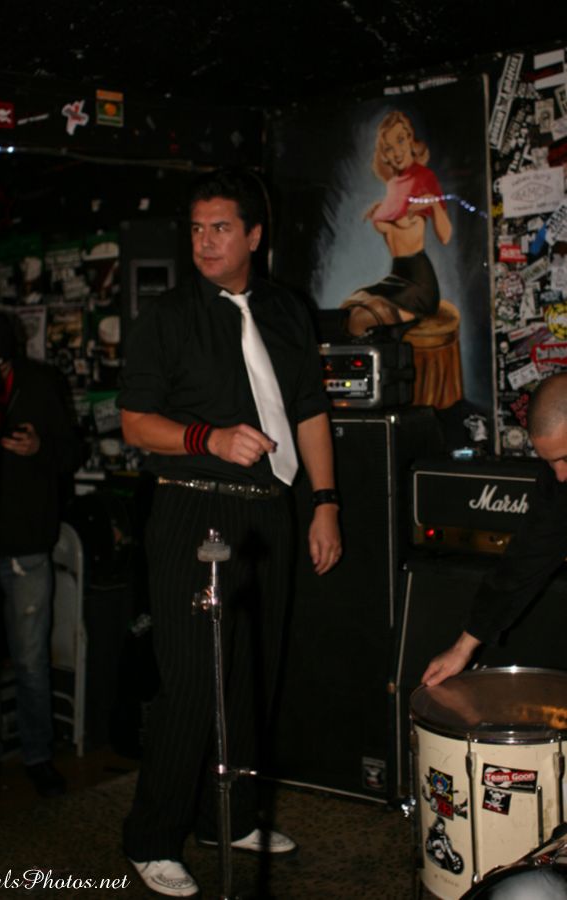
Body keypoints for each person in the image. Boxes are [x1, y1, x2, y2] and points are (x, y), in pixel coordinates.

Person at [118, 167, 342, 897]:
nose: (205, 241)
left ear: (254, 234)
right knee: (192, 682)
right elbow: (134, 424)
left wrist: (325, 503)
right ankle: (152, 837)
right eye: (196, 228)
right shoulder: (168, 316)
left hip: (268, 512)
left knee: (252, 675)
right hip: (193, 506)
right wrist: (206, 438)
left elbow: (309, 410)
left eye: (220, 228)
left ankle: (230, 818)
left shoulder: (285, 308)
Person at [0, 309, 80, 797]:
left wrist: (39, 449)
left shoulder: (40, 381)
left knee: (31, 660)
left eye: (0, 362)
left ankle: (37, 755)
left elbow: (74, 453)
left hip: (25, 543)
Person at [422, 372, 567, 688]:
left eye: (565, 459)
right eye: (550, 462)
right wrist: (463, 648)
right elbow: (525, 560)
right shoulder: (559, 484)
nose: (560, 474)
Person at [342, 110, 452, 336]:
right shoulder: (393, 185)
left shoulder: (424, 177)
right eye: (389, 148)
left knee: (360, 318)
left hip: (419, 284)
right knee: (348, 306)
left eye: (400, 140)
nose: (396, 152)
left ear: (411, 138)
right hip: (396, 276)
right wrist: (380, 209)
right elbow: (396, 219)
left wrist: (433, 203)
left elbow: (446, 235)